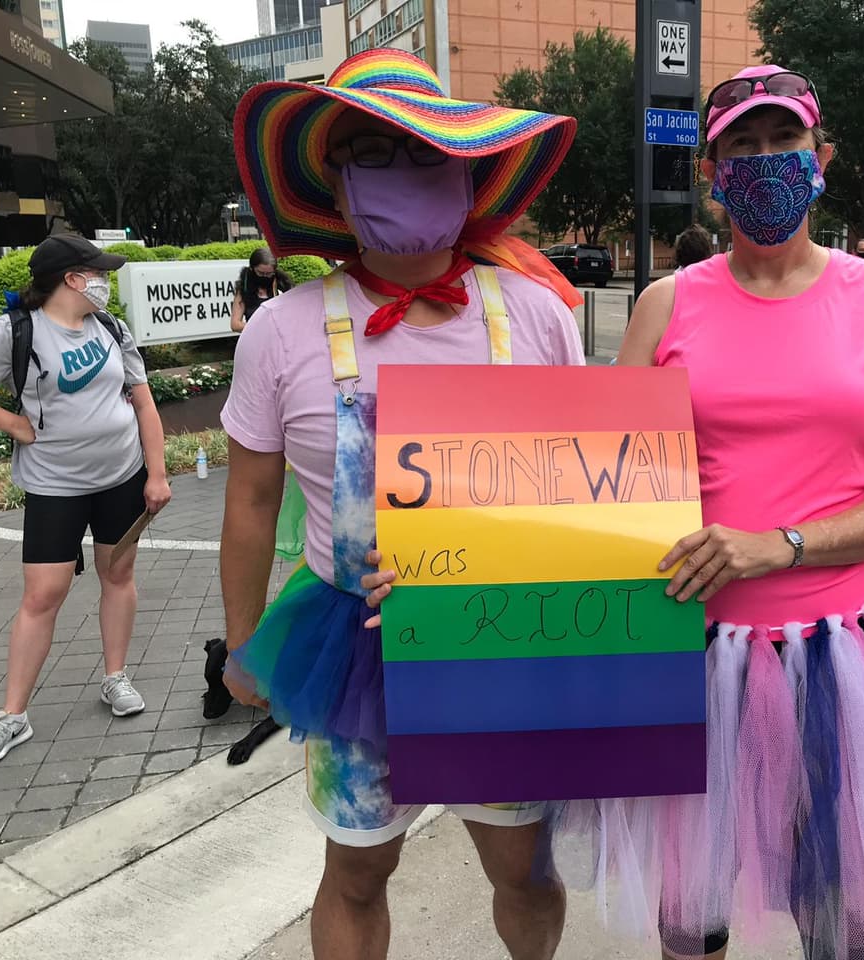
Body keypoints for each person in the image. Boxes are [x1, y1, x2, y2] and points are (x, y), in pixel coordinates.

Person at [388, 63, 864, 960]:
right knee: (692, 919)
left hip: (847, 656)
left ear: (819, 156)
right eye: (740, 148)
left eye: (783, 140)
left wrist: (780, 545)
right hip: (689, 658)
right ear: (715, 175)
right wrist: (445, 559)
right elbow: (586, 486)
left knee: (843, 919)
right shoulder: (666, 304)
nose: (764, 163)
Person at [219, 50, 584, 960]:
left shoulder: (538, 317)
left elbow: (585, 483)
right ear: (336, 190)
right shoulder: (282, 329)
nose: (402, 174)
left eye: (424, 153)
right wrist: (240, 643)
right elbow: (251, 499)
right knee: (355, 872)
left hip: (499, 637)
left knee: (525, 869)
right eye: (371, 155)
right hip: (348, 647)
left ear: (467, 175)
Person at [0, 235, 171, 767]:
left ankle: (114, 677)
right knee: (43, 594)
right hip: (55, 484)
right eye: (97, 272)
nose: (105, 281)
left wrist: (157, 473)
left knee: (117, 575)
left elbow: (143, 402)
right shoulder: (16, 331)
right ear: (73, 278)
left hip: (122, 476)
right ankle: (13, 714)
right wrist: (12, 425)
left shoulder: (111, 328)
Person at [230, 246, 293, 333]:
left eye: (269, 274)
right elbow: (235, 325)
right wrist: (262, 328)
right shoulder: (244, 289)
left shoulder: (282, 286)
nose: (265, 277)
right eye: (260, 273)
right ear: (252, 269)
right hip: (255, 341)